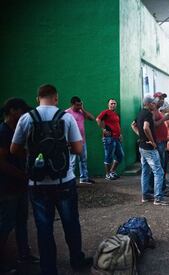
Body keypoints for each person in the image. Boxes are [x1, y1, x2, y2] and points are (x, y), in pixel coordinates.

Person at [11, 84, 92, 275]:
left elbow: (14, 149)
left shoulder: (27, 118)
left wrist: (35, 153)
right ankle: (76, 260)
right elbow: (78, 150)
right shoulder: (66, 117)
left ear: (37, 98)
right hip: (64, 180)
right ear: (56, 98)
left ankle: (49, 268)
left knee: (44, 227)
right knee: (71, 222)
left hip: (37, 183)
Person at [0, 98, 39, 273]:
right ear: (12, 110)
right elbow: (2, 162)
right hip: (8, 186)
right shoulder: (3, 131)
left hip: (20, 185)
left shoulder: (14, 130)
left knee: (22, 221)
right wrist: (22, 175)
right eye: (22, 111)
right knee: (6, 224)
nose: (24, 115)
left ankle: (24, 254)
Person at [134, 96, 169, 206]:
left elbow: (133, 125)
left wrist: (141, 136)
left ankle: (145, 195)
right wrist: (152, 141)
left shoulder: (141, 113)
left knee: (146, 171)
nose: (154, 104)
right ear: (149, 104)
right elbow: (146, 127)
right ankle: (158, 198)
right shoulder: (147, 114)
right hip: (149, 148)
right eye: (153, 103)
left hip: (142, 146)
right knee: (159, 172)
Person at [150, 92, 169, 197]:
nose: (162, 100)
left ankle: (160, 188)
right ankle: (159, 190)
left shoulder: (157, 111)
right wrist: (164, 119)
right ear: (154, 99)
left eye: (163, 99)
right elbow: (153, 125)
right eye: (160, 98)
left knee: (163, 166)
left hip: (162, 142)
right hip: (158, 142)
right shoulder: (152, 111)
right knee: (159, 167)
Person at [66, 96, 95, 184]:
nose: (79, 107)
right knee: (72, 162)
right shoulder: (67, 113)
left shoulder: (81, 112)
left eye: (80, 105)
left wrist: (83, 109)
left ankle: (84, 178)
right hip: (72, 142)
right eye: (77, 105)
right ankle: (71, 180)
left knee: (83, 160)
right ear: (72, 104)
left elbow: (92, 118)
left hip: (82, 141)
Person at [96, 99, 125, 180]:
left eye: (114, 103)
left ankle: (112, 171)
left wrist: (120, 134)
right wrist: (103, 130)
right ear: (108, 105)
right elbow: (98, 119)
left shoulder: (115, 114)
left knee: (120, 156)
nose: (113, 105)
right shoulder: (106, 112)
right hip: (109, 138)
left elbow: (117, 125)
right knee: (108, 157)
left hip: (116, 138)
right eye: (111, 103)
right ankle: (107, 174)